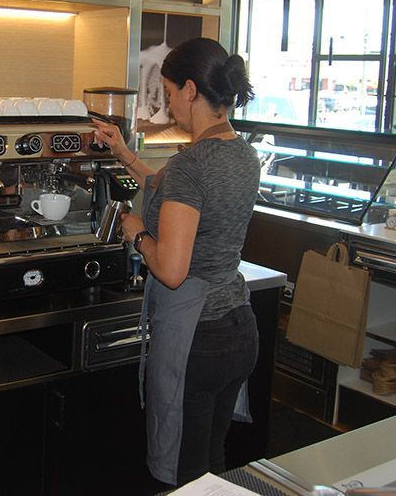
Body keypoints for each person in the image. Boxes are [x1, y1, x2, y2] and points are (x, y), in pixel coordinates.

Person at [92, 37, 260, 487]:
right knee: (211, 462)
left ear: (190, 90)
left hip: (198, 337)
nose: (168, 106)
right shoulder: (242, 153)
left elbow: (170, 269)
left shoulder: (191, 164)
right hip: (239, 327)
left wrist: (136, 232)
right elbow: (172, 192)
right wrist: (123, 153)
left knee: (183, 477)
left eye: (168, 95)